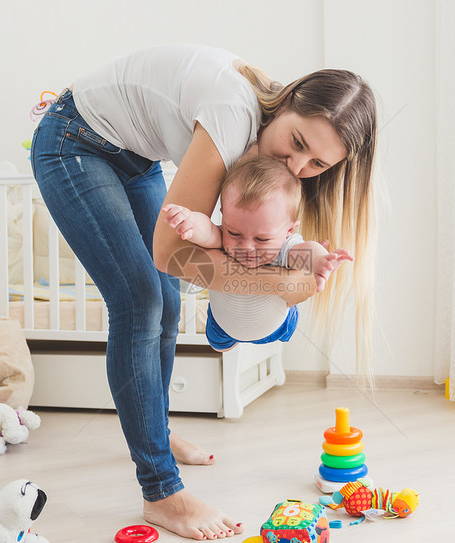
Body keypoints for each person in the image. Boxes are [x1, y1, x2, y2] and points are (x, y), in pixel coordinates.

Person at [30, 43, 378, 541]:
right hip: (74, 140)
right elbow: (172, 253)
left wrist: (297, 272)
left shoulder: (269, 158)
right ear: (289, 99)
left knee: (167, 300)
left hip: (133, 157)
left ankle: (157, 433)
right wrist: (274, 283)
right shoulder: (233, 114)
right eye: (297, 141)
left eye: (317, 163)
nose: (296, 165)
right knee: (141, 300)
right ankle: (161, 491)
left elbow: (223, 252)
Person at [162, 155, 353, 352]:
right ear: (224, 215)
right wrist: (190, 220)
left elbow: (305, 250)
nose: (246, 247)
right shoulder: (221, 238)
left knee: (298, 268)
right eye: (234, 233)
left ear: (289, 231)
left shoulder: (284, 246)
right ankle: (230, 340)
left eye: (261, 239)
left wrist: (321, 260)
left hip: (276, 326)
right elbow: (207, 231)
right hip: (224, 327)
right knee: (219, 346)